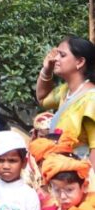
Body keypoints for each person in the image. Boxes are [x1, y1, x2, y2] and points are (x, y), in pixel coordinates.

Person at [35, 35, 95, 168]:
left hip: (79, 178)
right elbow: (42, 99)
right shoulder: (65, 91)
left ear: (79, 62)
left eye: (62, 55)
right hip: (61, 174)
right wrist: (47, 69)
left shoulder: (92, 99)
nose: (55, 58)